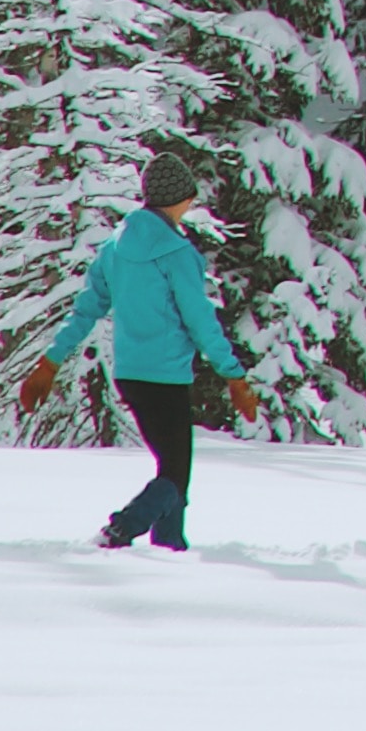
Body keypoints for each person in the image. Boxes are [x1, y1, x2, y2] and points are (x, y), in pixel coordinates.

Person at [23, 148, 256, 550]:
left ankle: (170, 543)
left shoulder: (114, 249)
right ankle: (121, 528)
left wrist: (50, 362)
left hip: (130, 375)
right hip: (165, 376)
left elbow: (85, 312)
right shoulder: (178, 254)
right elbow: (200, 321)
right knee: (175, 475)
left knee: (171, 468)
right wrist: (232, 374)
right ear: (180, 198)